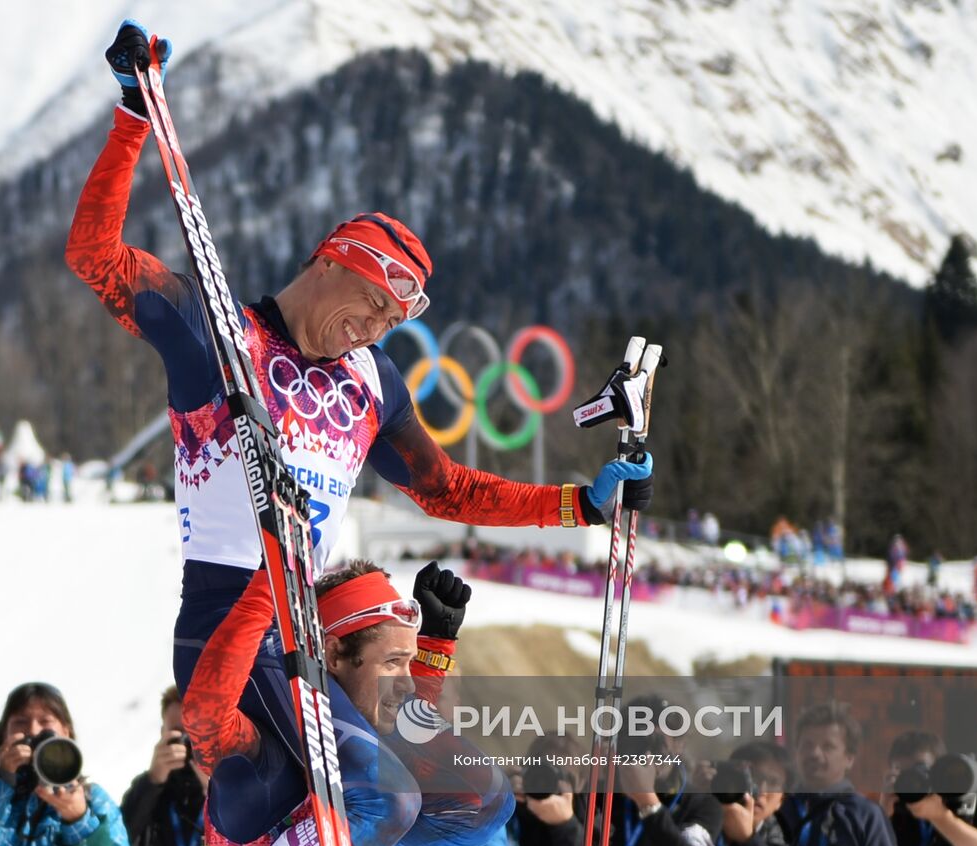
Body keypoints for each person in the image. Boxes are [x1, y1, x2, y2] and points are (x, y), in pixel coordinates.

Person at [65, 14, 655, 710]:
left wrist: (580, 507)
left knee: (402, 802)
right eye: (376, 303)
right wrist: (135, 116)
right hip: (225, 614)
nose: (378, 327)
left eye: (394, 320)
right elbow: (95, 256)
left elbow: (449, 489)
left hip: (307, 627)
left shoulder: (372, 381)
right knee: (360, 802)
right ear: (328, 263)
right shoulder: (217, 331)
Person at [182, 561, 510, 846]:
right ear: (335, 655)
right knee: (388, 798)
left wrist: (436, 646)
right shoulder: (269, 739)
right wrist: (267, 589)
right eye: (393, 662)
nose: (408, 683)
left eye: (408, 663)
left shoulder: (372, 748)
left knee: (486, 798)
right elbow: (205, 718)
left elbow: (405, 734)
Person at [519, 696, 723, 846]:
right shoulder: (599, 789)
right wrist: (587, 778)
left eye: (656, 742)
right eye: (637, 740)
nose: (647, 753)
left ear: (679, 744)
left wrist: (647, 801)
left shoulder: (700, 803)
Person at [0, 682, 132, 846]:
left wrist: (78, 821)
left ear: (66, 732)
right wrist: (2, 784)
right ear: (3, 734)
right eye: (20, 722)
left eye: (46, 723)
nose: (33, 730)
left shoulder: (92, 800)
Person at [780, 702, 910, 846]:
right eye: (807, 745)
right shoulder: (776, 807)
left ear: (849, 758)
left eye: (828, 746)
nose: (815, 753)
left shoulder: (867, 814)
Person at [121, 686, 206, 846]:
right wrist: (153, 779)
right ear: (163, 733)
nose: (187, 744)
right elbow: (120, 838)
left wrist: (215, 790)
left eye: (194, 734)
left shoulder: (230, 785)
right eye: (179, 734)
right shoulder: (151, 788)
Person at [711, 741, 796, 846]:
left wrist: (748, 843)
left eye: (773, 783)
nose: (761, 790)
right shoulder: (701, 824)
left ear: (781, 801)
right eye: (754, 778)